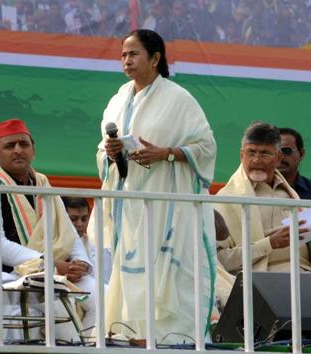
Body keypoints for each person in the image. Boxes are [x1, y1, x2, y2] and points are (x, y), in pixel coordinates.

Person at [88, 29, 217, 341]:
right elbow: (101, 149)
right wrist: (110, 152)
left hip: (167, 205)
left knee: (168, 275)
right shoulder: (118, 99)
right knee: (130, 273)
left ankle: (173, 339)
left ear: (156, 58)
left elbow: (206, 147)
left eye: (133, 54)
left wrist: (167, 153)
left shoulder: (179, 99)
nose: (126, 61)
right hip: (128, 205)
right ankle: (129, 334)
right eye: (123, 55)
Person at [0, 118, 96, 335]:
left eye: (24, 144)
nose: (18, 150)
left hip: (50, 273)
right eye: (9, 146)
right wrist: (49, 265)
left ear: (33, 150)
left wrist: (80, 263)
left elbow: (70, 235)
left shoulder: (45, 188)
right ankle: (75, 348)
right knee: (56, 298)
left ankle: (91, 346)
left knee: (100, 294)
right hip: (4, 275)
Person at [215, 122, 311, 274]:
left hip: (306, 273)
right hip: (262, 280)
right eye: (251, 152)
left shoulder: (291, 195)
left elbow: (310, 251)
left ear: (278, 158)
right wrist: (269, 243)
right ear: (241, 155)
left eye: (264, 153)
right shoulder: (226, 199)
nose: (256, 160)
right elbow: (220, 261)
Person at [62, 196, 112, 284]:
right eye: (73, 219)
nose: (80, 224)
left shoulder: (98, 246)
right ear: (61, 218)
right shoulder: (53, 244)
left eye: (84, 219)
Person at [278, 127, 311, 200]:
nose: (279, 157)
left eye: (286, 150)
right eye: (274, 151)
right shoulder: (257, 190)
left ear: (301, 154)